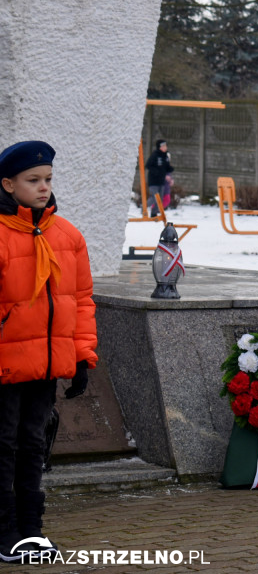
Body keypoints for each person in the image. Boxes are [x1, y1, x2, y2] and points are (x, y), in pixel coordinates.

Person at [0, 141, 97, 562]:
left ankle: (32, 532)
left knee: (34, 443)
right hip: (4, 367)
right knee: (2, 445)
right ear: (8, 184)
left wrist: (80, 356)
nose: (43, 188)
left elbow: (81, 300)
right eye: (32, 180)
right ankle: (5, 534)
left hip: (44, 366)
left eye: (48, 180)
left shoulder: (67, 236)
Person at [144, 139, 173, 217]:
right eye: (164, 146)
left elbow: (166, 166)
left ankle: (154, 213)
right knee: (154, 197)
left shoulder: (165, 156)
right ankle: (144, 208)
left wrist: (170, 169)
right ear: (160, 147)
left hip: (161, 181)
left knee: (160, 198)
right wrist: (156, 172)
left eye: (166, 146)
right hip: (153, 181)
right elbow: (148, 165)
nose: (165, 147)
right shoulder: (155, 155)